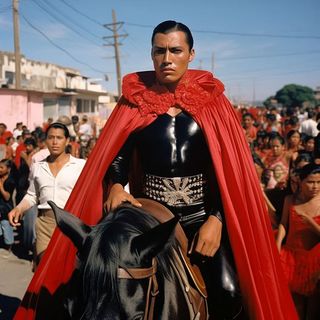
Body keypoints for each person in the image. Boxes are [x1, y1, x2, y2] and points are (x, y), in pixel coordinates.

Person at [14, 20, 297, 319]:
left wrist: (216, 219)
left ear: (191, 54)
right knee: (92, 281)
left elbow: (228, 173)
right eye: (159, 51)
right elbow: (117, 156)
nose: (167, 58)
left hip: (201, 216)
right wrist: (114, 186)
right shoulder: (134, 102)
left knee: (228, 290)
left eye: (175, 50)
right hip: (146, 218)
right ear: (151, 54)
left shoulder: (215, 105)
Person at [8, 122, 86, 267]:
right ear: (45, 141)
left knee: (68, 271)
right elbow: (32, 195)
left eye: (59, 138)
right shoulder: (38, 167)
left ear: (67, 140)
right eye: (51, 138)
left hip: (71, 224)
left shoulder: (80, 166)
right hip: (45, 224)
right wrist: (18, 208)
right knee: (44, 268)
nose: (55, 142)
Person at [276, 163, 320, 319]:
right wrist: (277, 244)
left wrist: (311, 222)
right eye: (310, 182)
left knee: (313, 305)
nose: (315, 186)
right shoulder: (290, 200)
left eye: (319, 182)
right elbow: (283, 223)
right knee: (295, 303)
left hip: (314, 260)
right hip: (291, 258)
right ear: (300, 182)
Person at [0, 159, 15, 256]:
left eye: (1, 167)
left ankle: (9, 247)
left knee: (6, 226)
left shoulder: (11, 180)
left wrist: (0, 186)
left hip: (6, 208)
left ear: (8, 169)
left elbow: (7, 197)